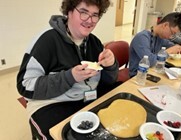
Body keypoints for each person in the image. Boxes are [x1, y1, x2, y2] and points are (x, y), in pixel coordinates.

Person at [16, 0, 119, 139]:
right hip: (52, 103)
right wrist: (70, 77)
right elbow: (24, 85)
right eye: (83, 12)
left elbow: (108, 81)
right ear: (69, 11)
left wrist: (110, 65)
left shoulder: (95, 43)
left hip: (87, 97)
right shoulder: (46, 41)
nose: (90, 20)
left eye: (95, 15)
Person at [129, 12, 181, 77]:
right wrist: (169, 51)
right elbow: (150, 61)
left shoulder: (159, 36)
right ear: (165, 25)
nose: (170, 37)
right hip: (138, 75)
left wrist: (179, 48)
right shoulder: (142, 37)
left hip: (151, 72)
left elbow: (170, 45)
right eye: (172, 33)